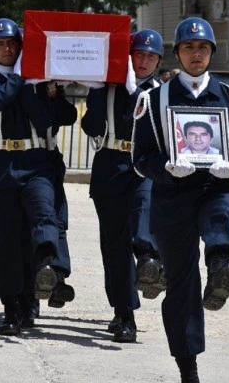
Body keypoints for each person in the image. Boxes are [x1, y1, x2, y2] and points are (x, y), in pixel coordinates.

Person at [131, 17, 229, 382]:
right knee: (181, 288)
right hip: (172, 197)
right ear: (178, 54)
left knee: (223, 214)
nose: (196, 54)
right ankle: (188, 367)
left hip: (217, 188)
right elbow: (140, 158)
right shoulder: (154, 100)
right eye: (189, 48)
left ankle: (221, 267)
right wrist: (166, 167)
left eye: (203, 48)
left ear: (212, 53)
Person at [0, 18, 77, 336]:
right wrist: (20, 78)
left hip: (37, 162)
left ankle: (44, 277)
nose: (6, 48)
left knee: (44, 218)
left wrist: (50, 91)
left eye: (12, 43)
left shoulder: (38, 82)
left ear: (20, 46)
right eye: (0, 43)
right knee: (7, 242)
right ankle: (12, 307)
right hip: (1, 166)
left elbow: (53, 118)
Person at [81, 29, 166, 343]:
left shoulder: (162, 93)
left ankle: (149, 260)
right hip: (110, 166)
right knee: (114, 246)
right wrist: (101, 90)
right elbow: (90, 126)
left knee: (142, 214)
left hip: (144, 167)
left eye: (151, 56)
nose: (143, 61)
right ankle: (124, 313)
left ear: (158, 61)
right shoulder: (109, 86)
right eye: (139, 54)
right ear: (129, 56)